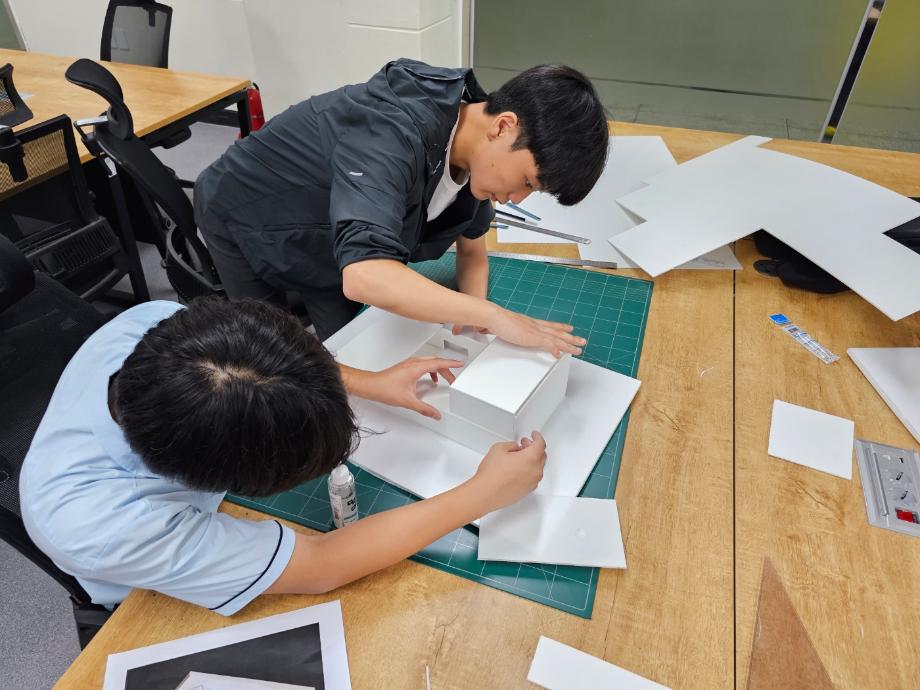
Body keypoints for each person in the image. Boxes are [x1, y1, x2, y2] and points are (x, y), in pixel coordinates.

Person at [19, 298, 546, 615]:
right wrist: (481, 495)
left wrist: (366, 382)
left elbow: (255, 363)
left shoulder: (153, 325)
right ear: (218, 480)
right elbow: (321, 566)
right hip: (145, 591)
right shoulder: (106, 525)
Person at [194, 59, 608, 353]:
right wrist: (496, 316)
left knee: (351, 351)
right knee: (272, 359)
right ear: (503, 126)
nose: (517, 198)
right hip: (242, 209)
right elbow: (366, 276)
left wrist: (475, 324)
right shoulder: (391, 132)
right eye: (527, 182)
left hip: (330, 236)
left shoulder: (476, 160)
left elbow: (472, 252)